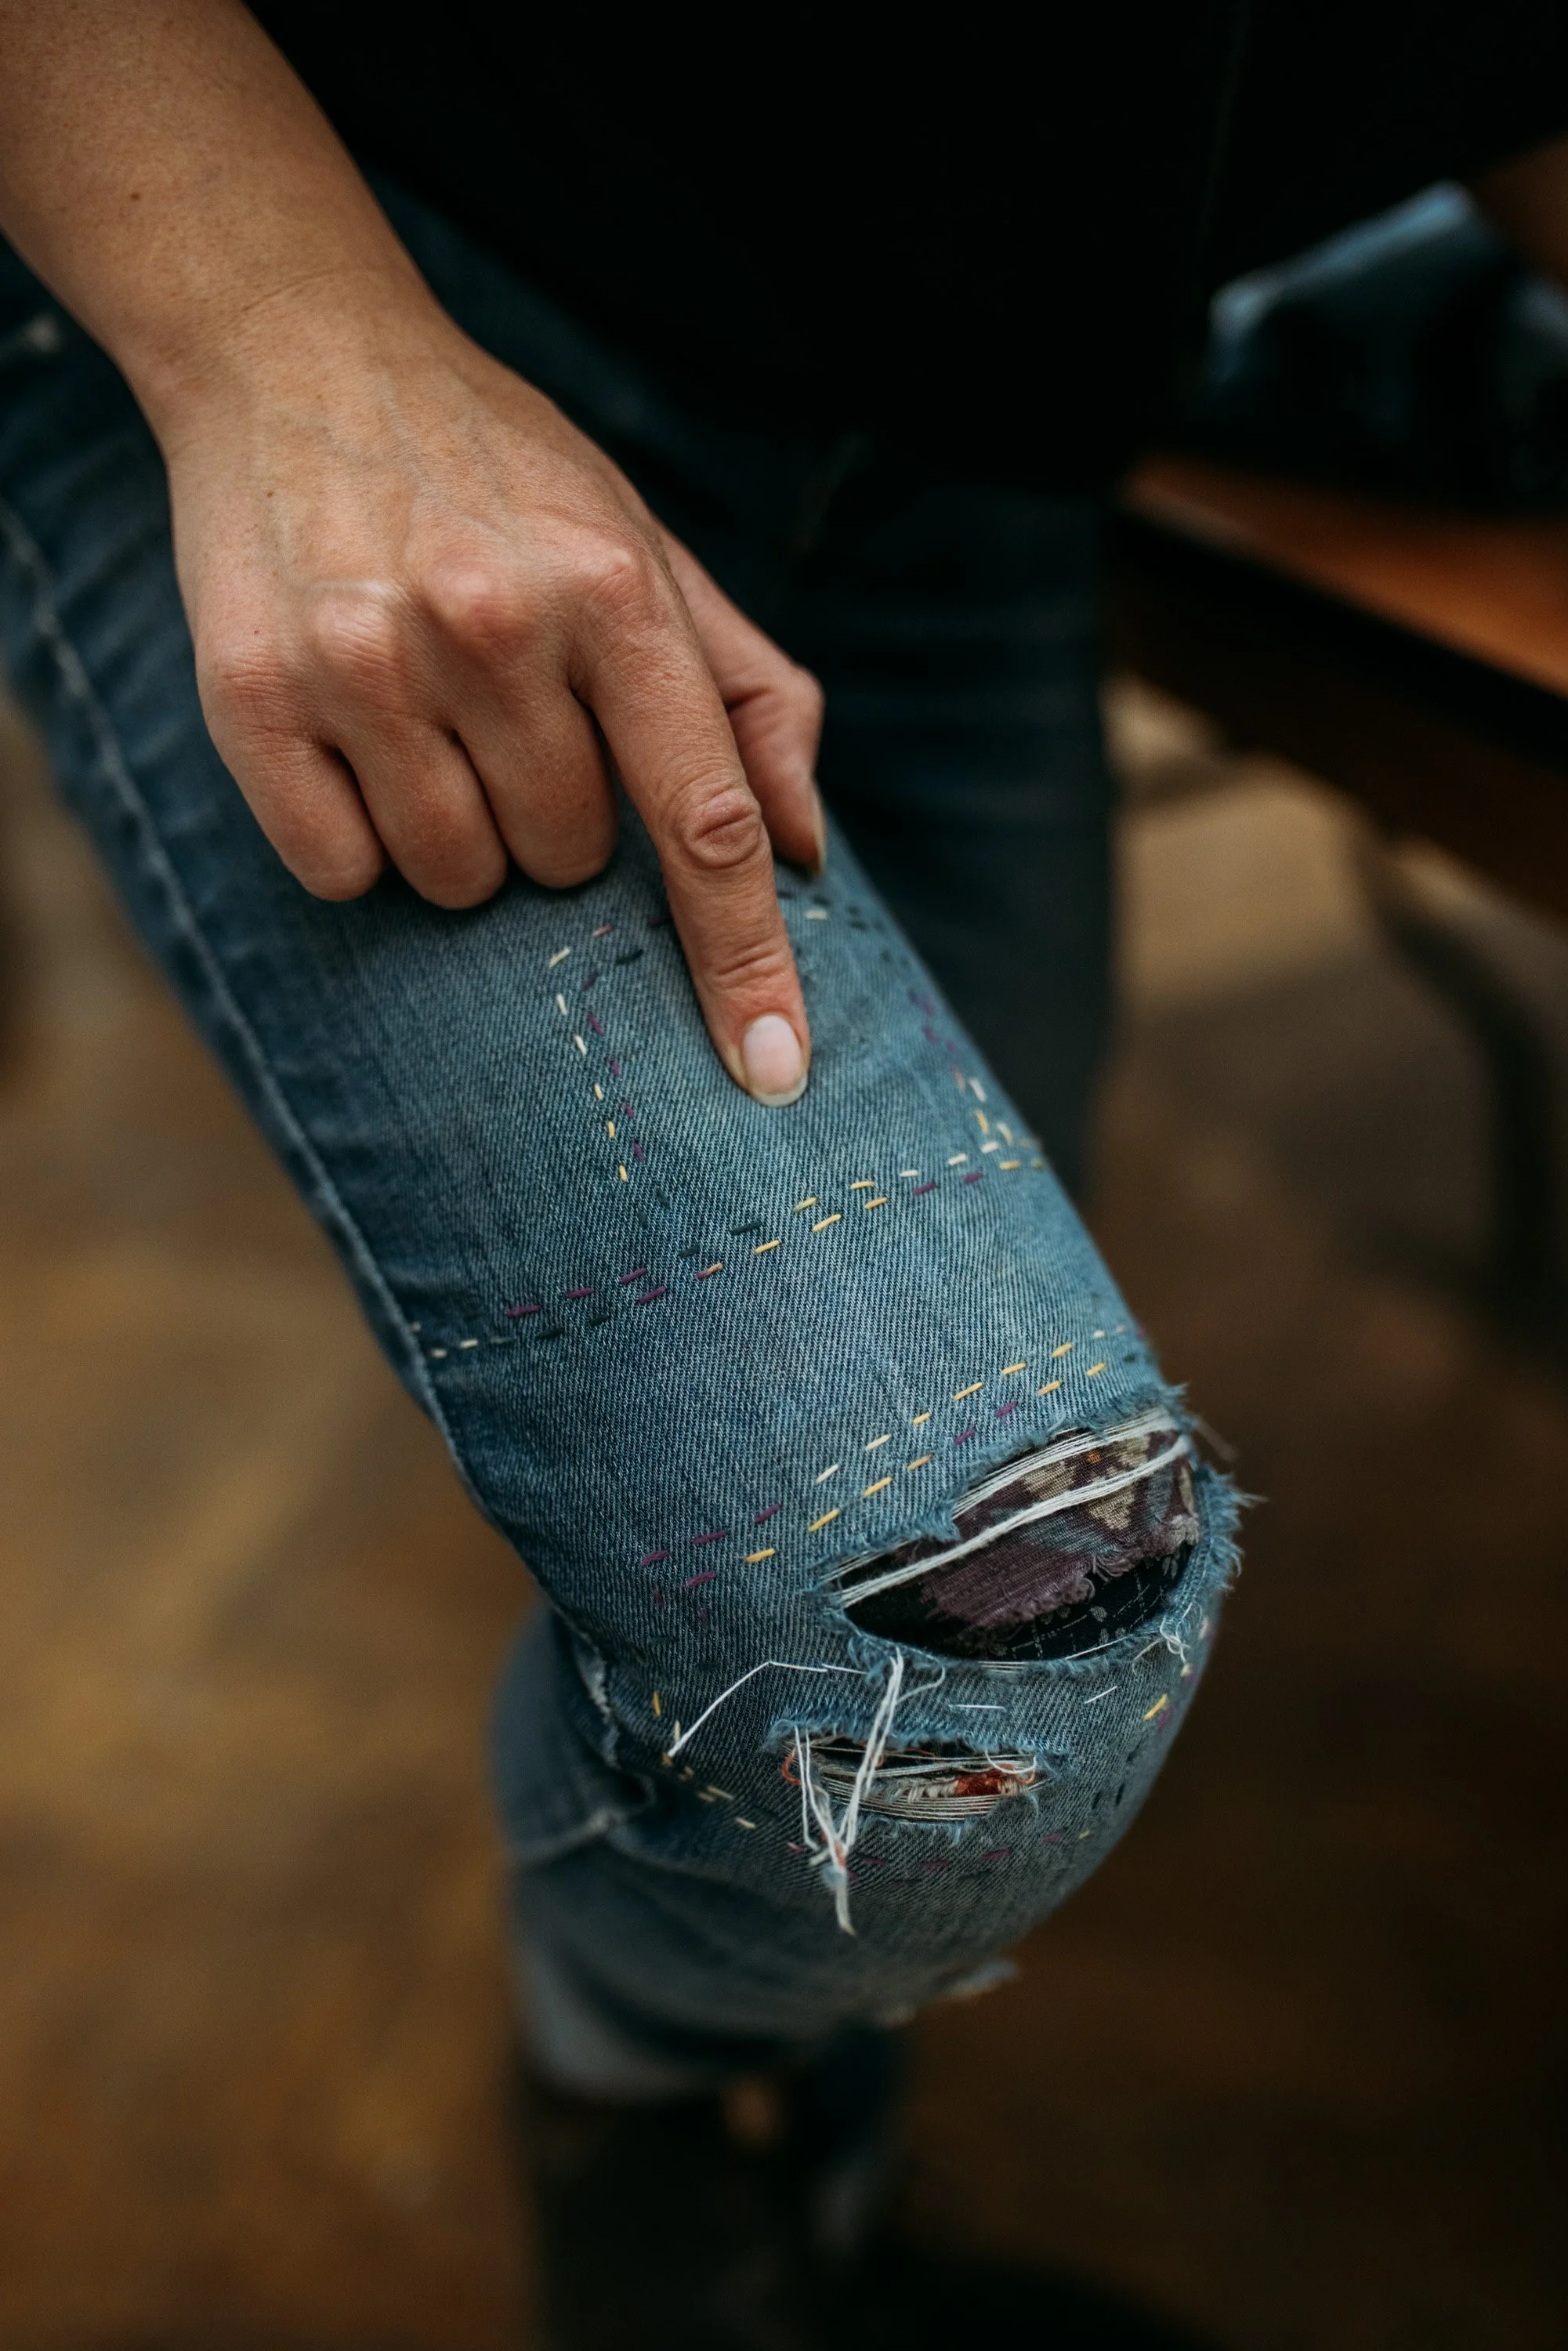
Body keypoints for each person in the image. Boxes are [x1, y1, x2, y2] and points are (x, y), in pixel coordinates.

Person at [1, 8, 1565, 2344]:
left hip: (983, 438)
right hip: (341, 257)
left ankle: (744, 2136)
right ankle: (637, 2133)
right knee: (951, 1676)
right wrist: (277, 335)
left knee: (936, 1578)